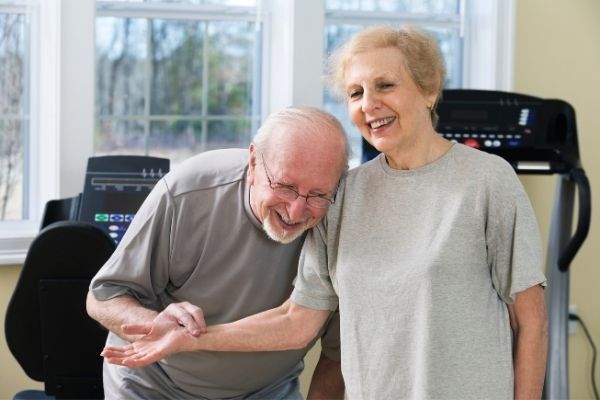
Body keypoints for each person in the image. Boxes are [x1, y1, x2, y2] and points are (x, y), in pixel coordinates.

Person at [101, 26, 548, 400]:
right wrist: (192, 339)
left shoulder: (487, 181)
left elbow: (531, 322)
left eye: (385, 85)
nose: (368, 104)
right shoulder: (344, 194)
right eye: (356, 92)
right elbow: (296, 321)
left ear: (429, 89)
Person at [86, 106, 350, 399]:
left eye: (317, 195)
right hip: (153, 385)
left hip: (265, 391)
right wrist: (154, 324)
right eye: (285, 187)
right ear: (253, 162)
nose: (296, 211)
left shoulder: (340, 221)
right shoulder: (187, 193)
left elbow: (337, 355)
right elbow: (103, 297)